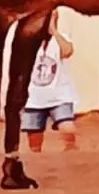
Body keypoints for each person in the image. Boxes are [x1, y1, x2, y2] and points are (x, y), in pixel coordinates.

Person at [21, 9, 78, 152]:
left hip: (59, 97)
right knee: (34, 142)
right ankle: (41, 167)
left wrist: (54, 32)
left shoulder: (61, 39)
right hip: (34, 98)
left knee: (68, 129)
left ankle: (72, 158)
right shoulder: (26, 40)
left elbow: (67, 51)